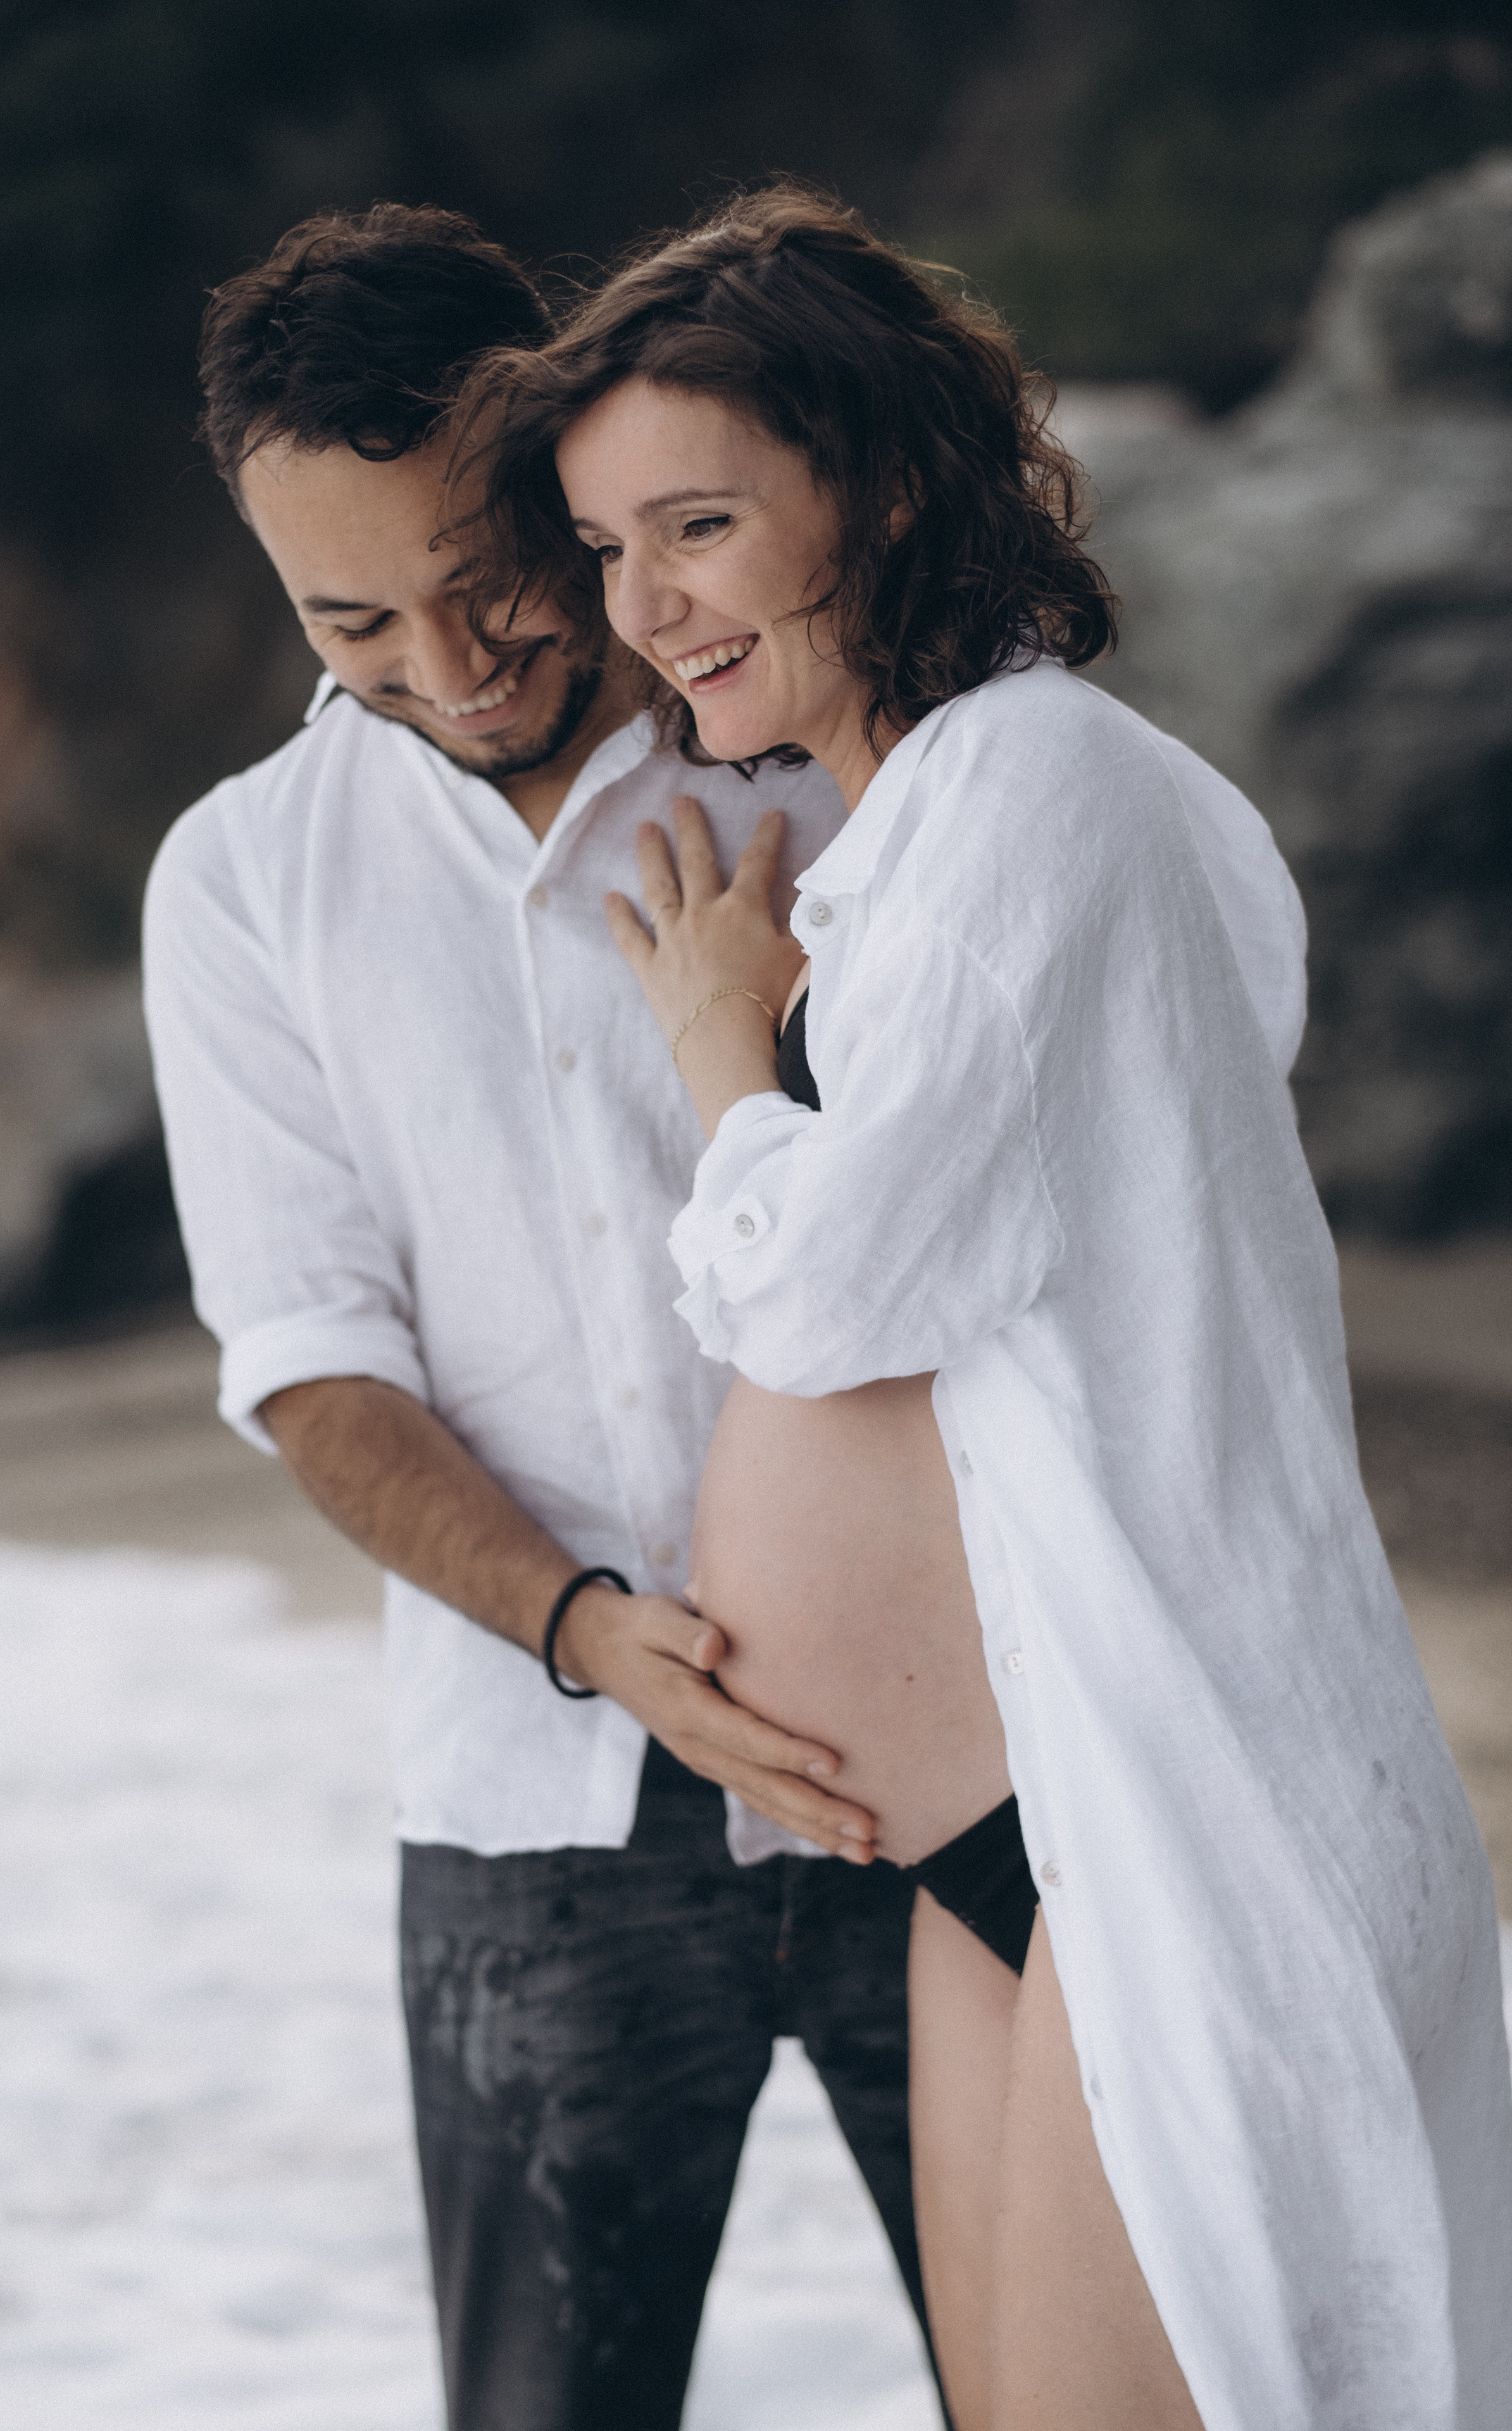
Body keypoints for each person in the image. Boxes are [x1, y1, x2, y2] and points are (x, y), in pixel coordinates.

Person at [462, 184, 1512, 2428]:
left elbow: (830, 1289)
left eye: (704, 525)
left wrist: (725, 1050)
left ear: (890, 473)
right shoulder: (939, 821)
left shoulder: (1035, 787)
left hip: (1169, 1820)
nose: (649, 607)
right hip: (1011, 1820)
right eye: (612, 548)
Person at [142, 201, 946, 2431]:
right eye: (351, 615)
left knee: (1080, 2380)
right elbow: (308, 1358)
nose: (450, 654)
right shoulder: (240, 880)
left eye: (490, 568)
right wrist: (590, 1630)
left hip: (955, 1755)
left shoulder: (822, 756)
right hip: (537, 1806)